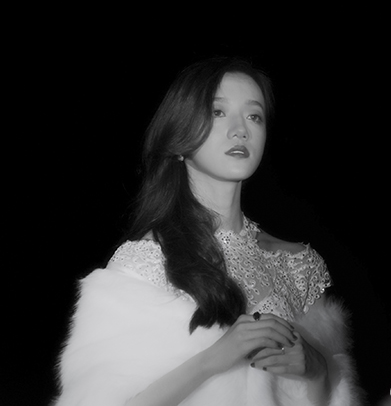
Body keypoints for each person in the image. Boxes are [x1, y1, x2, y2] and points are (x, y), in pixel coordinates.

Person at [53, 57, 363, 405]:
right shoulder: (144, 262)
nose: (240, 130)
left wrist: (317, 371)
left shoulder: (300, 264)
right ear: (180, 134)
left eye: (254, 116)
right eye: (218, 112)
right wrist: (212, 361)